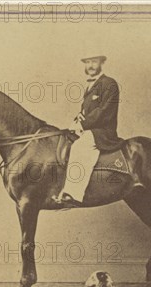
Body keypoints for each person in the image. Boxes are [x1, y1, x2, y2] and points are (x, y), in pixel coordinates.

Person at [53, 54, 124, 206]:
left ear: (102, 62)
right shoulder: (90, 86)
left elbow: (104, 111)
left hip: (103, 132)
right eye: (87, 62)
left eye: (94, 62)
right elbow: (86, 113)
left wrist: (82, 125)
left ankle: (72, 194)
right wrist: (76, 122)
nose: (90, 65)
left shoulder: (109, 84)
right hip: (90, 129)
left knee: (80, 146)